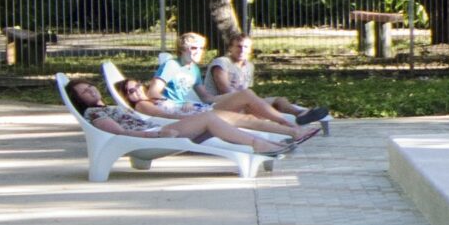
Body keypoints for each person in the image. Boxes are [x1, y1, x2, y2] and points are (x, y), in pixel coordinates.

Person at [65, 77, 301, 156]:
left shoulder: (107, 106)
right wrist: (157, 133)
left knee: (223, 117)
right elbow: (118, 132)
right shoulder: (95, 112)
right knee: (212, 118)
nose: (91, 90)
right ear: (80, 100)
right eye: (84, 92)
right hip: (152, 136)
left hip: (157, 129)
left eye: (91, 86)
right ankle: (263, 145)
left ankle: (275, 142)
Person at [114, 75, 317, 144]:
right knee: (247, 104)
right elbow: (167, 115)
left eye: (137, 86)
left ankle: (291, 129)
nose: (136, 92)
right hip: (199, 116)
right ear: (127, 97)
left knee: (248, 101)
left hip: (203, 110)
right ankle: (291, 127)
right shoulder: (143, 105)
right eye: (130, 92)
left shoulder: (152, 97)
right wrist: (187, 111)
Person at [204, 33, 322, 122]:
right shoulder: (221, 63)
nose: (242, 50)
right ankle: (287, 122)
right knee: (263, 106)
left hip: (244, 101)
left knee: (279, 100)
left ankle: (301, 113)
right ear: (230, 48)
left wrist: (254, 101)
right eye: (238, 47)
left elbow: (245, 89)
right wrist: (254, 101)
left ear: (250, 50)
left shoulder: (249, 66)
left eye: (246, 47)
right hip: (220, 104)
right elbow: (224, 89)